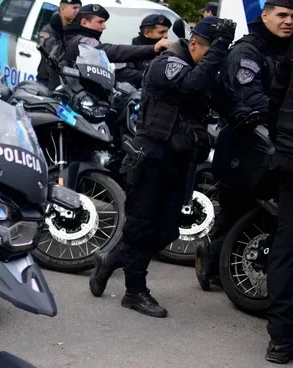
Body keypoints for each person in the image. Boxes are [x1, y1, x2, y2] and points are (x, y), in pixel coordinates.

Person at [89, 16, 237, 317]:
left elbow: (221, 99)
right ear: (194, 44)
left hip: (181, 159)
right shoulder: (168, 63)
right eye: (211, 53)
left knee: (169, 229)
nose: (214, 61)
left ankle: (113, 258)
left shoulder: (201, 66)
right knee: (141, 225)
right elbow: (191, 86)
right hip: (152, 156)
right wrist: (217, 54)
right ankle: (134, 291)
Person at [196, 0, 293, 293]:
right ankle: (210, 259)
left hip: (275, 141)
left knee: (261, 209)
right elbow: (251, 99)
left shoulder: (287, 49)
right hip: (246, 141)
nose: (289, 22)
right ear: (265, 16)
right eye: (282, 15)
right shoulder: (247, 52)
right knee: (237, 207)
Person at [62, 3, 169, 73]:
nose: (104, 26)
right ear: (84, 22)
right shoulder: (78, 41)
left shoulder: (78, 37)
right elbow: (109, 51)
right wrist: (153, 48)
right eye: (100, 22)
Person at [35, 0, 81, 89]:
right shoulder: (48, 29)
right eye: (74, 8)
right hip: (47, 81)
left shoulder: (76, 29)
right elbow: (49, 51)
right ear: (62, 9)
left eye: (79, 8)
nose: (78, 11)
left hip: (68, 82)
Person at [119, 13, 173, 82]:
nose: (166, 36)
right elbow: (122, 74)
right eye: (161, 32)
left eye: (166, 32)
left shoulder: (168, 51)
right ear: (146, 33)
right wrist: (150, 76)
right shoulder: (131, 51)